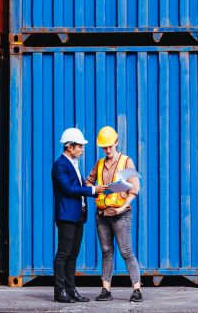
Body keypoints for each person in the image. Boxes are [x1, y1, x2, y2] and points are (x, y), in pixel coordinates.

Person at [51, 128, 109, 304]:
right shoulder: (60, 165)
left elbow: (81, 186)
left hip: (78, 216)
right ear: (69, 147)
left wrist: (103, 190)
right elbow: (68, 189)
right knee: (63, 253)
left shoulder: (74, 163)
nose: (83, 149)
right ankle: (60, 291)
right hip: (67, 216)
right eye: (80, 146)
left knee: (73, 254)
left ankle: (71, 290)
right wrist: (93, 189)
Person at [85, 126, 143, 303]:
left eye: (110, 145)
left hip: (121, 214)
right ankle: (105, 290)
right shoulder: (100, 164)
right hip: (102, 215)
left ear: (116, 142)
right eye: (104, 147)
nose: (108, 150)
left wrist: (123, 206)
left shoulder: (126, 161)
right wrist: (95, 189)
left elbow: (135, 187)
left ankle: (137, 290)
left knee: (126, 252)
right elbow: (88, 183)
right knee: (106, 252)